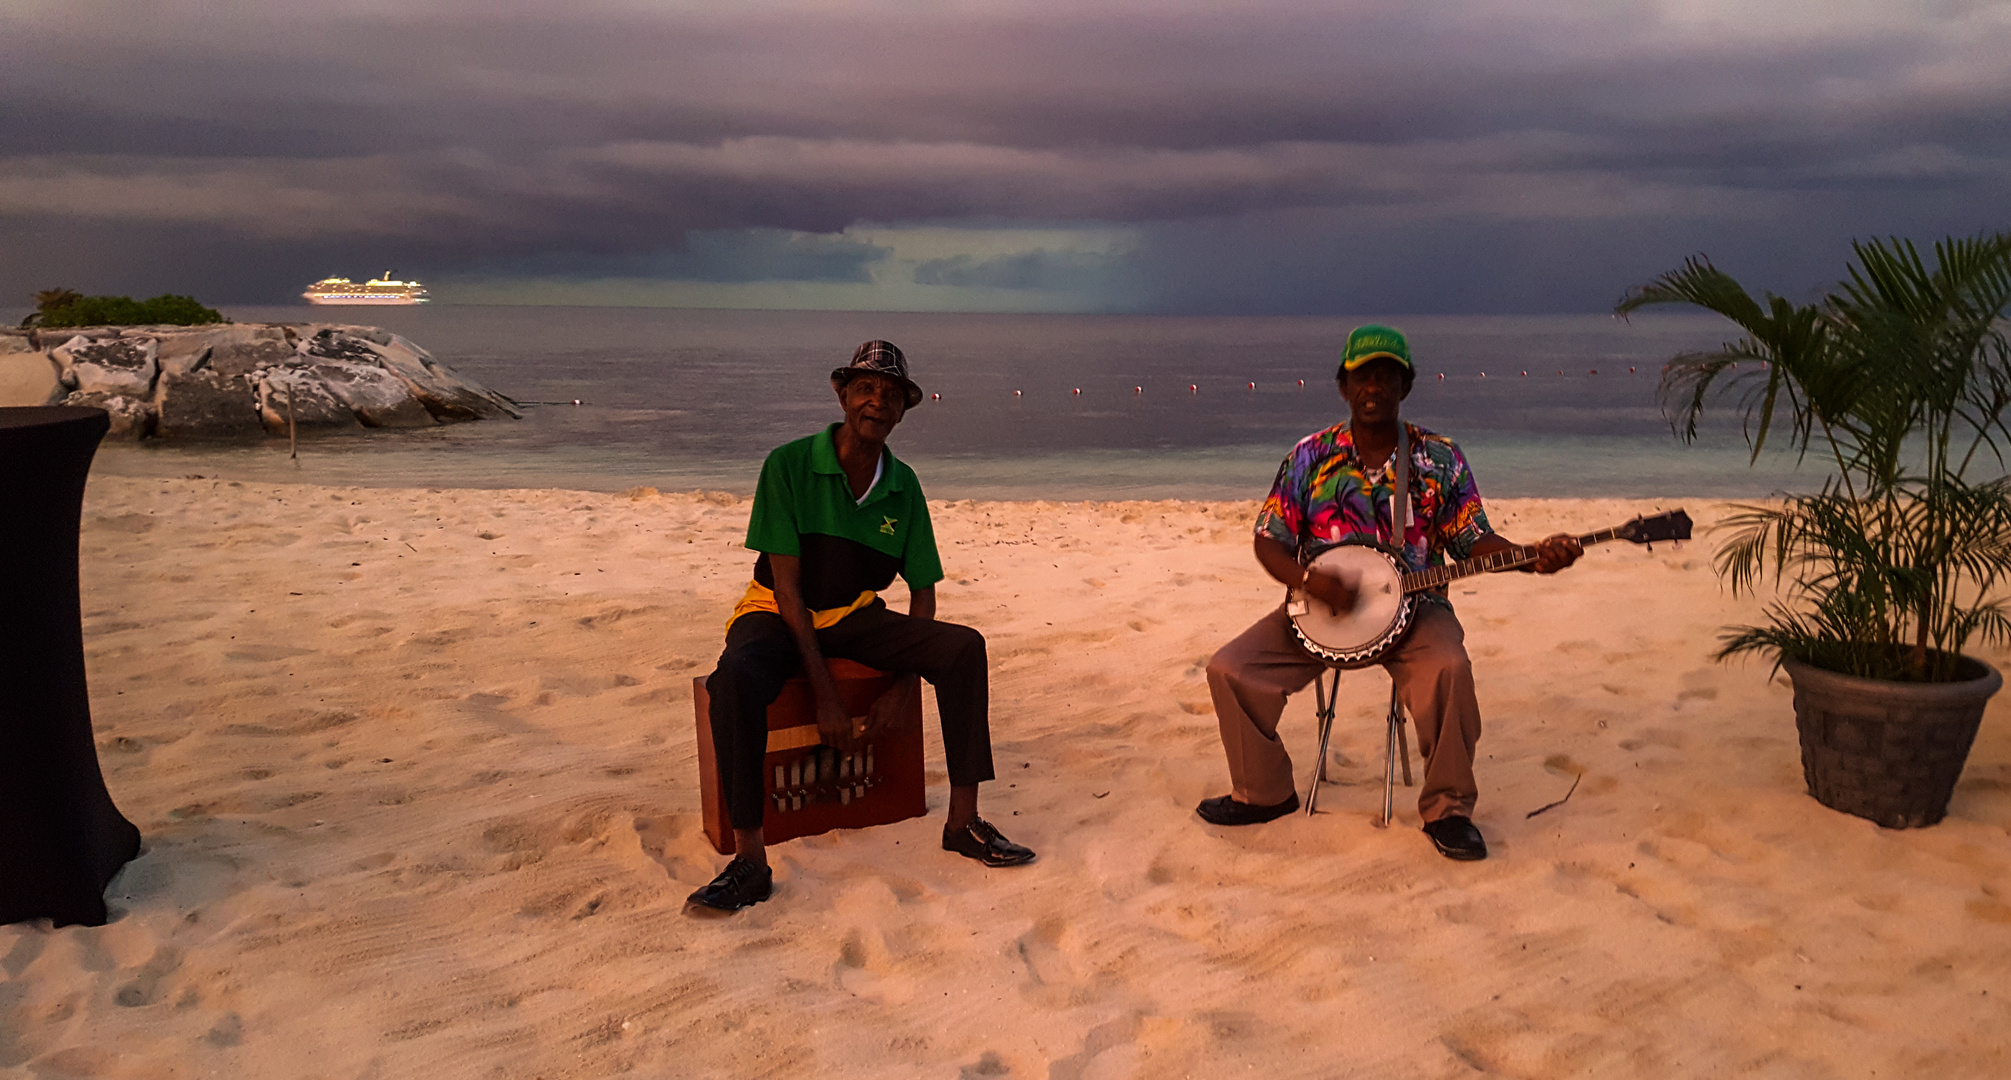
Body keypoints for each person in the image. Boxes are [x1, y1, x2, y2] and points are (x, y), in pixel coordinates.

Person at [1197, 324, 1581, 860]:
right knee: (1230, 670)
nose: (1373, 386)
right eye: (1362, 375)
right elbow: (1269, 539)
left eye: (1386, 375)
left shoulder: (1439, 459)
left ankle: (1447, 810)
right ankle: (1264, 794)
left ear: (1405, 386)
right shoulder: (1310, 456)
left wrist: (1529, 558)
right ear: (1343, 385)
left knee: (1449, 667)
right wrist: (1308, 581)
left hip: (1418, 608)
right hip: (1321, 612)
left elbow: (1473, 540)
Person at [688, 340, 1035, 912]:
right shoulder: (789, 465)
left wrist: (903, 685)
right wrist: (826, 695)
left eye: (891, 395)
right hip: (776, 611)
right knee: (736, 681)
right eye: (867, 389)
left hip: (853, 613)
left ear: (903, 411)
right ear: (843, 394)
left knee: (963, 648)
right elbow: (790, 591)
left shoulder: (903, 485)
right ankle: (750, 858)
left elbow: (922, 589)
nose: (877, 402)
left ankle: (964, 823)